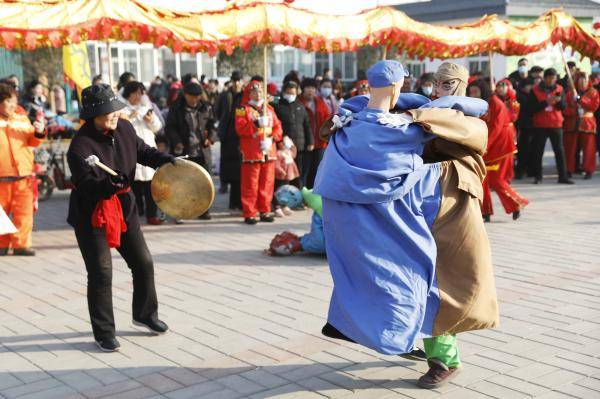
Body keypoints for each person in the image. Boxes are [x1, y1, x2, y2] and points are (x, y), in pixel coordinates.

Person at [315, 60, 498, 389]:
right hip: (411, 207)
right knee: (400, 273)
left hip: (449, 209)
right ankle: (390, 331)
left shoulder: (467, 117)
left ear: (463, 85)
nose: (439, 89)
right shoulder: (415, 106)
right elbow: (365, 109)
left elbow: (467, 133)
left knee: (440, 285)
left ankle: (444, 357)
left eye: (448, 84)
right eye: (437, 83)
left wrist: (413, 119)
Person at [66, 84, 175, 352]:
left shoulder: (125, 128)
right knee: (101, 273)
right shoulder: (80, 146)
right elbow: (88, 186)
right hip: (93, 213)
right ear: (92, 114)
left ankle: (145, 314)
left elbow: (144, 153)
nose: (115, 115)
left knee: (143, 262)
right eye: (108, 112)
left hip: (125, 207)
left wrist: (168, 160)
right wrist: (109, 185)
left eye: (115, 109)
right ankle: (104, 332)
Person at [468, 79, 529, 221]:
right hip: (488, 145)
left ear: (483, 90)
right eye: (471, 92)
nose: (473, 95)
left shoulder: (495, 103)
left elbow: (496, 128)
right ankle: (485, 211)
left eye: (476, 92)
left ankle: (516, 203)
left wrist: (484, 146)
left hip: (500, 146)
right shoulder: (480, 104)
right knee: (482, 179)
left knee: (495, 180)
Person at [0, 83, 45, 256]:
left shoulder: (21, 118)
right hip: (1, 178)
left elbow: (33, 141)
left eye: (14, 101)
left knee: (24, 213)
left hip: (24, 176)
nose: (13, 105)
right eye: (9, 101)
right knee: (1, 215)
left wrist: (39, 132)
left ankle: (21, 245)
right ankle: (2, 245)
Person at [165, 82, 217, 219]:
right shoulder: (176, 108)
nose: (194, 99)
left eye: (197, 96)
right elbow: (170, 127)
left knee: (203, 182)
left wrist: (210, 138)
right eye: (191, 96)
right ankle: (182, 211)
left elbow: (213, 125)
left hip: (202, 151)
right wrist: (176, 142)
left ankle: (204, 210)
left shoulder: (206, 108)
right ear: (185, 95)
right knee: (183, 182)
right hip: (183, 150)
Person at [235, 80, 283, 225]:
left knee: (267, 183)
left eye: (261, 91)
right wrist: (256, 124)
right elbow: (240, 129)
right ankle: (250, 212)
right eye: (255, 91)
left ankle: (265, 210)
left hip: (268, 150)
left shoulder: (269, 109)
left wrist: (272, 139)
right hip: (251, 153)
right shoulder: (242, 109)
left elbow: (278, 127)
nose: (258, 94)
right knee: (250, 184)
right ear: (249, 93)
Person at [121, 81, 164, 225]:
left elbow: (157, 127)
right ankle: (137, 214)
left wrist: (150, 120)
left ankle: (152, 215)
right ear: (128, 93)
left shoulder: (147, 108)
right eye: (135, 93)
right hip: (132, 151)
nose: (138, 96)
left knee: (151, 186)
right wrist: (131, 117)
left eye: (141, 93)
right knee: (135, 187)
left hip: (148, 149)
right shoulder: (122, 110)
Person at [530, 68, 573, 184]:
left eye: (554, 78)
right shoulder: (535, 90)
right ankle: (538, 176)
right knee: (538, 151)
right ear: (545, 78)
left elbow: (563, 107)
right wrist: (546, 102)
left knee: (559, 151)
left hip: (556, 124)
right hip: (540, 124)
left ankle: (562, 176)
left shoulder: (560, 89)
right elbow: (531, 108)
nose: (552, 80)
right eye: (550, 78)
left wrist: (558, 101)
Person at [274, 81, 313, 186]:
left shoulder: (300, 106)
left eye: (293, 93)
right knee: (285, 172)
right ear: (283, 92)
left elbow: (307, 125)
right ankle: (283, 195)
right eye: (288, 93)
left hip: (299, 146)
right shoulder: (278, 106)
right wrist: (280, 141)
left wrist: (310, 141)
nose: (290, 95)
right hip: (284, 148)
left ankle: (298, 193)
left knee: (298, 172)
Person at [215, 71, 244, 209]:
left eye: (239, 80)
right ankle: (231, 198)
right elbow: (217, 112)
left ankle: (239, 201)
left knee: (240, 170)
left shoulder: (244, 96)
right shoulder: (224, 95)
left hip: (241, 136)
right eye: (234, 80)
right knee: (229, 168)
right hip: (227, 135)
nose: (237, 83)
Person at [563, 72, 599, 179]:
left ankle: (588, 170)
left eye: (585, 80)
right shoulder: (570, 93)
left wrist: (580, 100)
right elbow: (565, 109)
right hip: (572, 122)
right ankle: (569, 169)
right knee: (570, 148)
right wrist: (574, 110)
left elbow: (594, 106)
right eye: (581, 80)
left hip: (587, 123)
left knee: (589, 149)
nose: (583, 82)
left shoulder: (593, 92)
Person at [299, 78, 331, 188]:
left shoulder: (320, 103)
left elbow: (328, 120)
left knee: (318, 170)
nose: (310, 91)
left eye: (313, 88)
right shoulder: (298, 103)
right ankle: (303, 193)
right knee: (304, 171)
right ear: (303, 89)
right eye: (308, 88)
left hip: (320, 143)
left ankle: (315, 193)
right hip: (305, 143)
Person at [273, 136, 300, 217]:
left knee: (286, 190)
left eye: (285, 143)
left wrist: (292, 145)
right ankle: (277, 206)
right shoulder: (278, 153)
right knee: (279, 191)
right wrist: (281, 171)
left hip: (289, 175)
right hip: (281, 175)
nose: (284, 144)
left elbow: (294, 154)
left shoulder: (288, 151)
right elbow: (276, 164)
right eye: (282, 143)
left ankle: (285, 206)